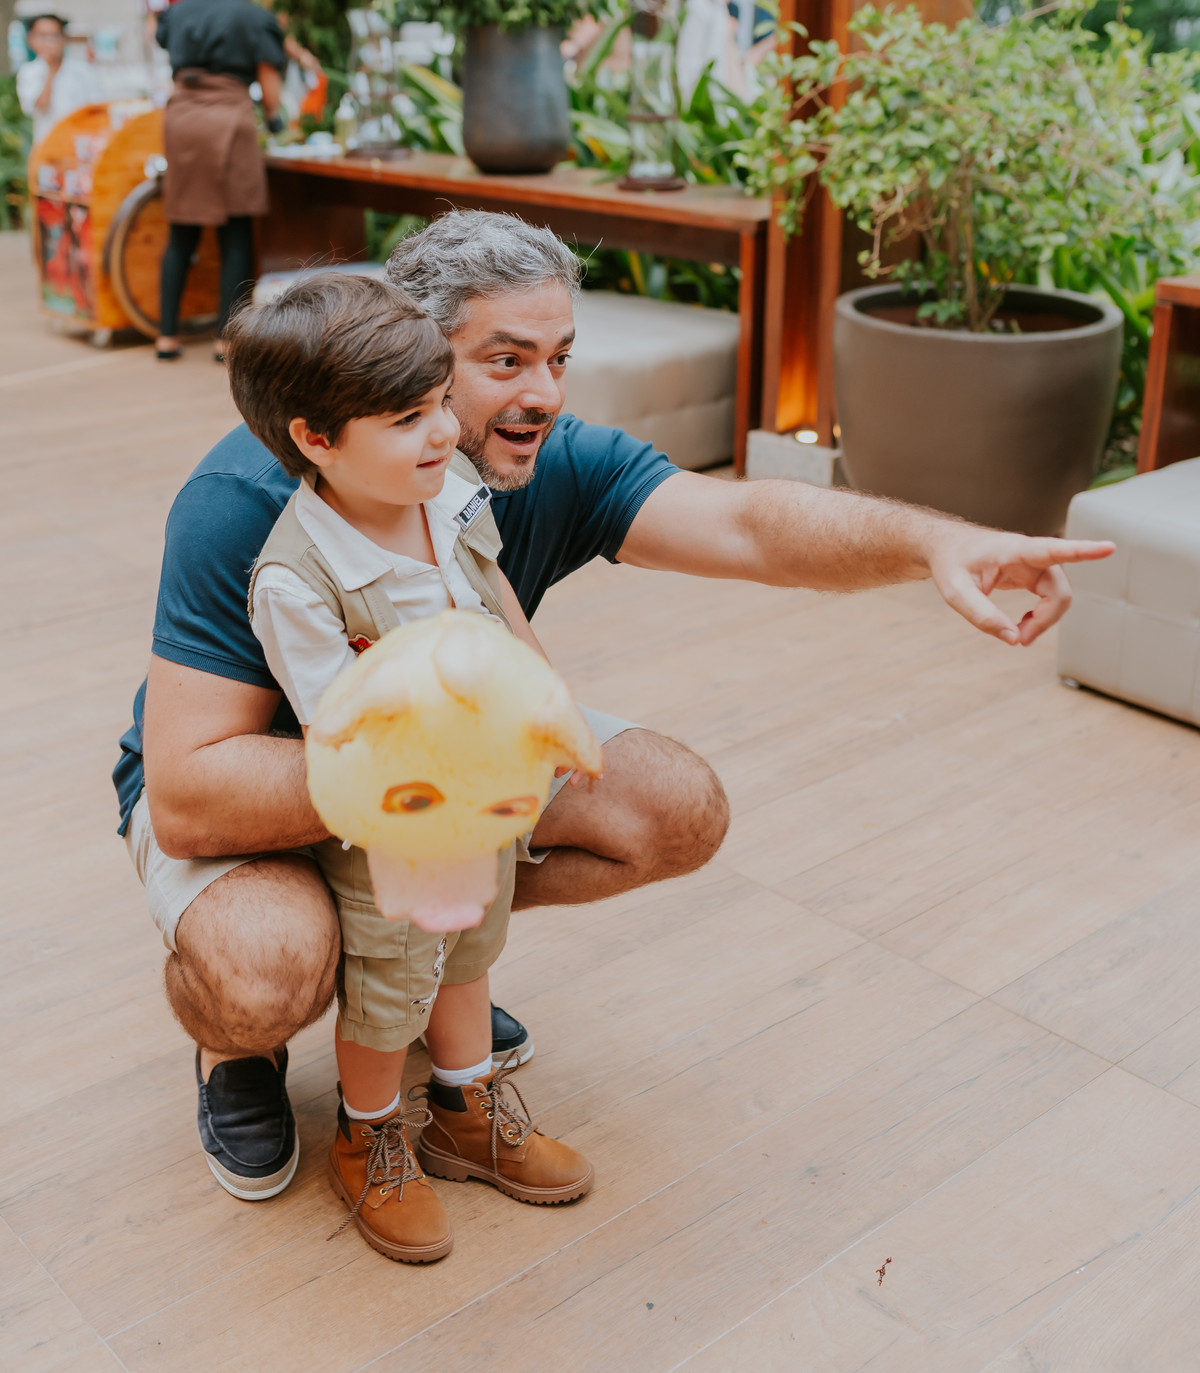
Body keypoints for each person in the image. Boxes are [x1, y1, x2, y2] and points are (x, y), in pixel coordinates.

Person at [116, 210, 1113, 1206]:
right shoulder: (248, 499)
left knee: (671, 806)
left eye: (559, 359)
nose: (543, 394)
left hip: (443, 764)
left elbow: (748, 524)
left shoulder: (517, 464)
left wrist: (936, 544)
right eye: (506, 360)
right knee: (264, 969)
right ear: (411, 352)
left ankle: (416, 965)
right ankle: (241, 1044)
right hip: (265, 794)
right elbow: (190, 798)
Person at [220, 271, 591, 1253]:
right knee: (390, 990)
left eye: (437, 406)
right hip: (395, 824)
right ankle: (370, 1135)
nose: (441, 433)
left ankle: (466, 1114)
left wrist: (546, 707)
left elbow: (494, 605)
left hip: (481, 805)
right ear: (316, 439)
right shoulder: (299, 580)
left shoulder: (451, 495)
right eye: (406, 421)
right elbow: (344, 729)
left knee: (469, 959)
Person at [153, 0, 286, 364]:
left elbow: (166, 51)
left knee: (181, 229)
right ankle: (225, 341)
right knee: (235, 233)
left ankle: (166, 338)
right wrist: (276, 119)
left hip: (181, 118)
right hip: (229, 119)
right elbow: (270, 89)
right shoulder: (255, 17)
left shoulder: (180, 9)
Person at [16, 13, 100, 144]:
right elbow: (40, 106)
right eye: (42, 36)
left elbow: (97, 108)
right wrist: (51, 70)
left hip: (81, 143)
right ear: (31, 39)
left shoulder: (82, 70)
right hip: (48, 145)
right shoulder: (28, 72)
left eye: (54, 36)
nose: (49, 42)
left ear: (64, 38)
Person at [672, 0, 734, 106]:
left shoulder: (698, 2)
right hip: (709, 95)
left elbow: (688, 59)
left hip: (697, 96)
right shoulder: (707, 2)